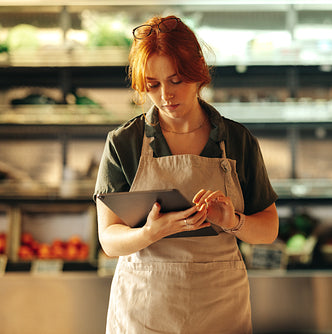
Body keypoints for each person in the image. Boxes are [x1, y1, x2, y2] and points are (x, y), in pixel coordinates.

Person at [94, 15, 279, 334]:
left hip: (220, 309)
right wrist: (149, 233)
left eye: (176, 80)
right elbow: (109, 239)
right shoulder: (124, 143)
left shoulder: (237, 141)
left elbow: (269, 229)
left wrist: (232, 220)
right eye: (153, 85)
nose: (166, 95)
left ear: (198, 73)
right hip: (145, 310)